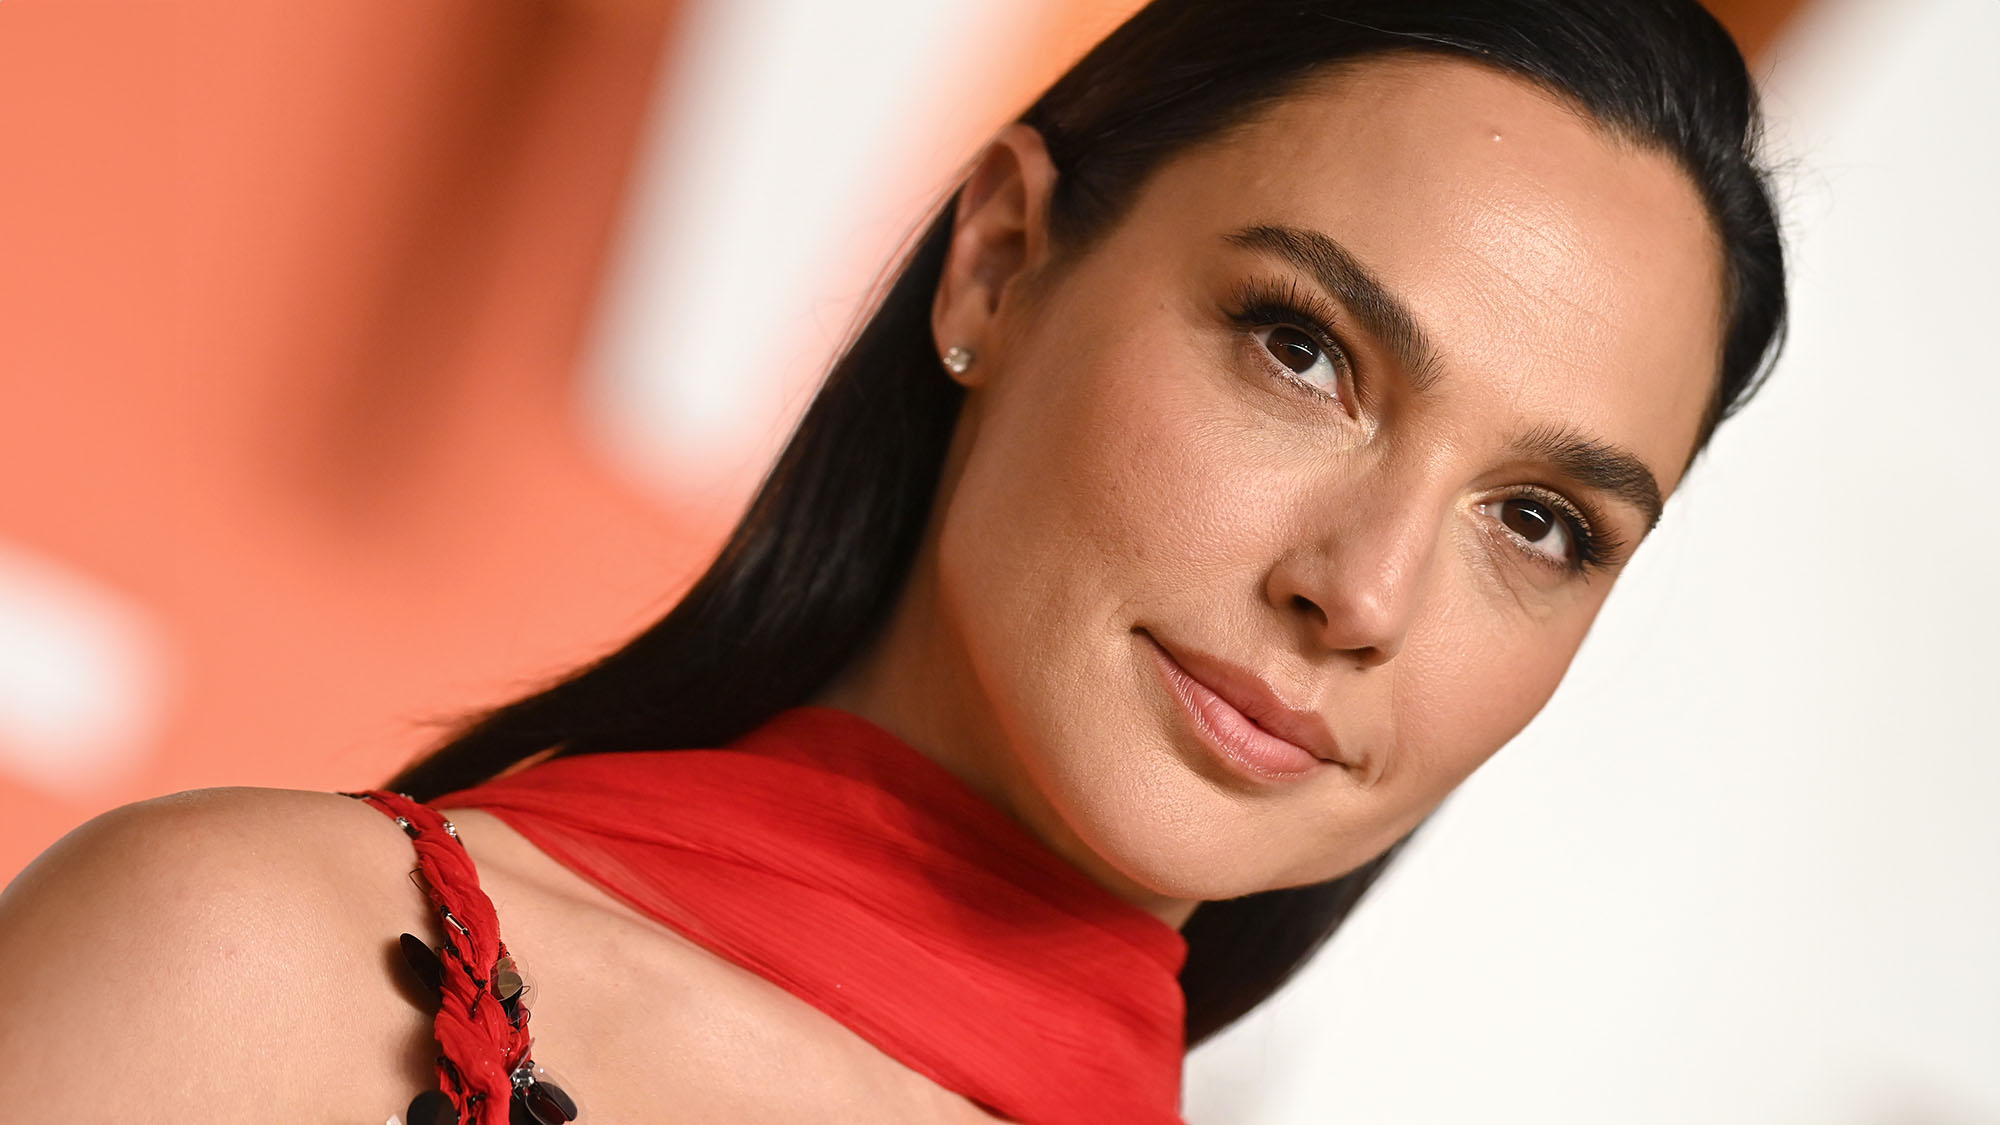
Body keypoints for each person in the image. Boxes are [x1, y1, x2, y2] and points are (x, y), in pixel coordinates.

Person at [0, 0, 1786, 1121]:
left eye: (1539, 521)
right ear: (1001, 262)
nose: (1365, 590)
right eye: (1300, 349)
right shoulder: (248, 969)